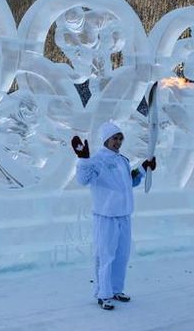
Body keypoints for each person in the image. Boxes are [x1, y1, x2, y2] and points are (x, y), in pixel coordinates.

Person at [71, 121, 157, 310]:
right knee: (106, 256)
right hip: (106, 215)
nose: (117, 142)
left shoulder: (122, 160)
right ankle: (103, 294)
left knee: (121, 255)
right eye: (114, 139)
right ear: (106, 140)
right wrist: (83, 159)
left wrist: (144, 168)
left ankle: (116, 289)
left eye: (119, 138)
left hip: (124, 214)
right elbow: (82, 180)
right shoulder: (97, 160)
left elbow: (130, 182)